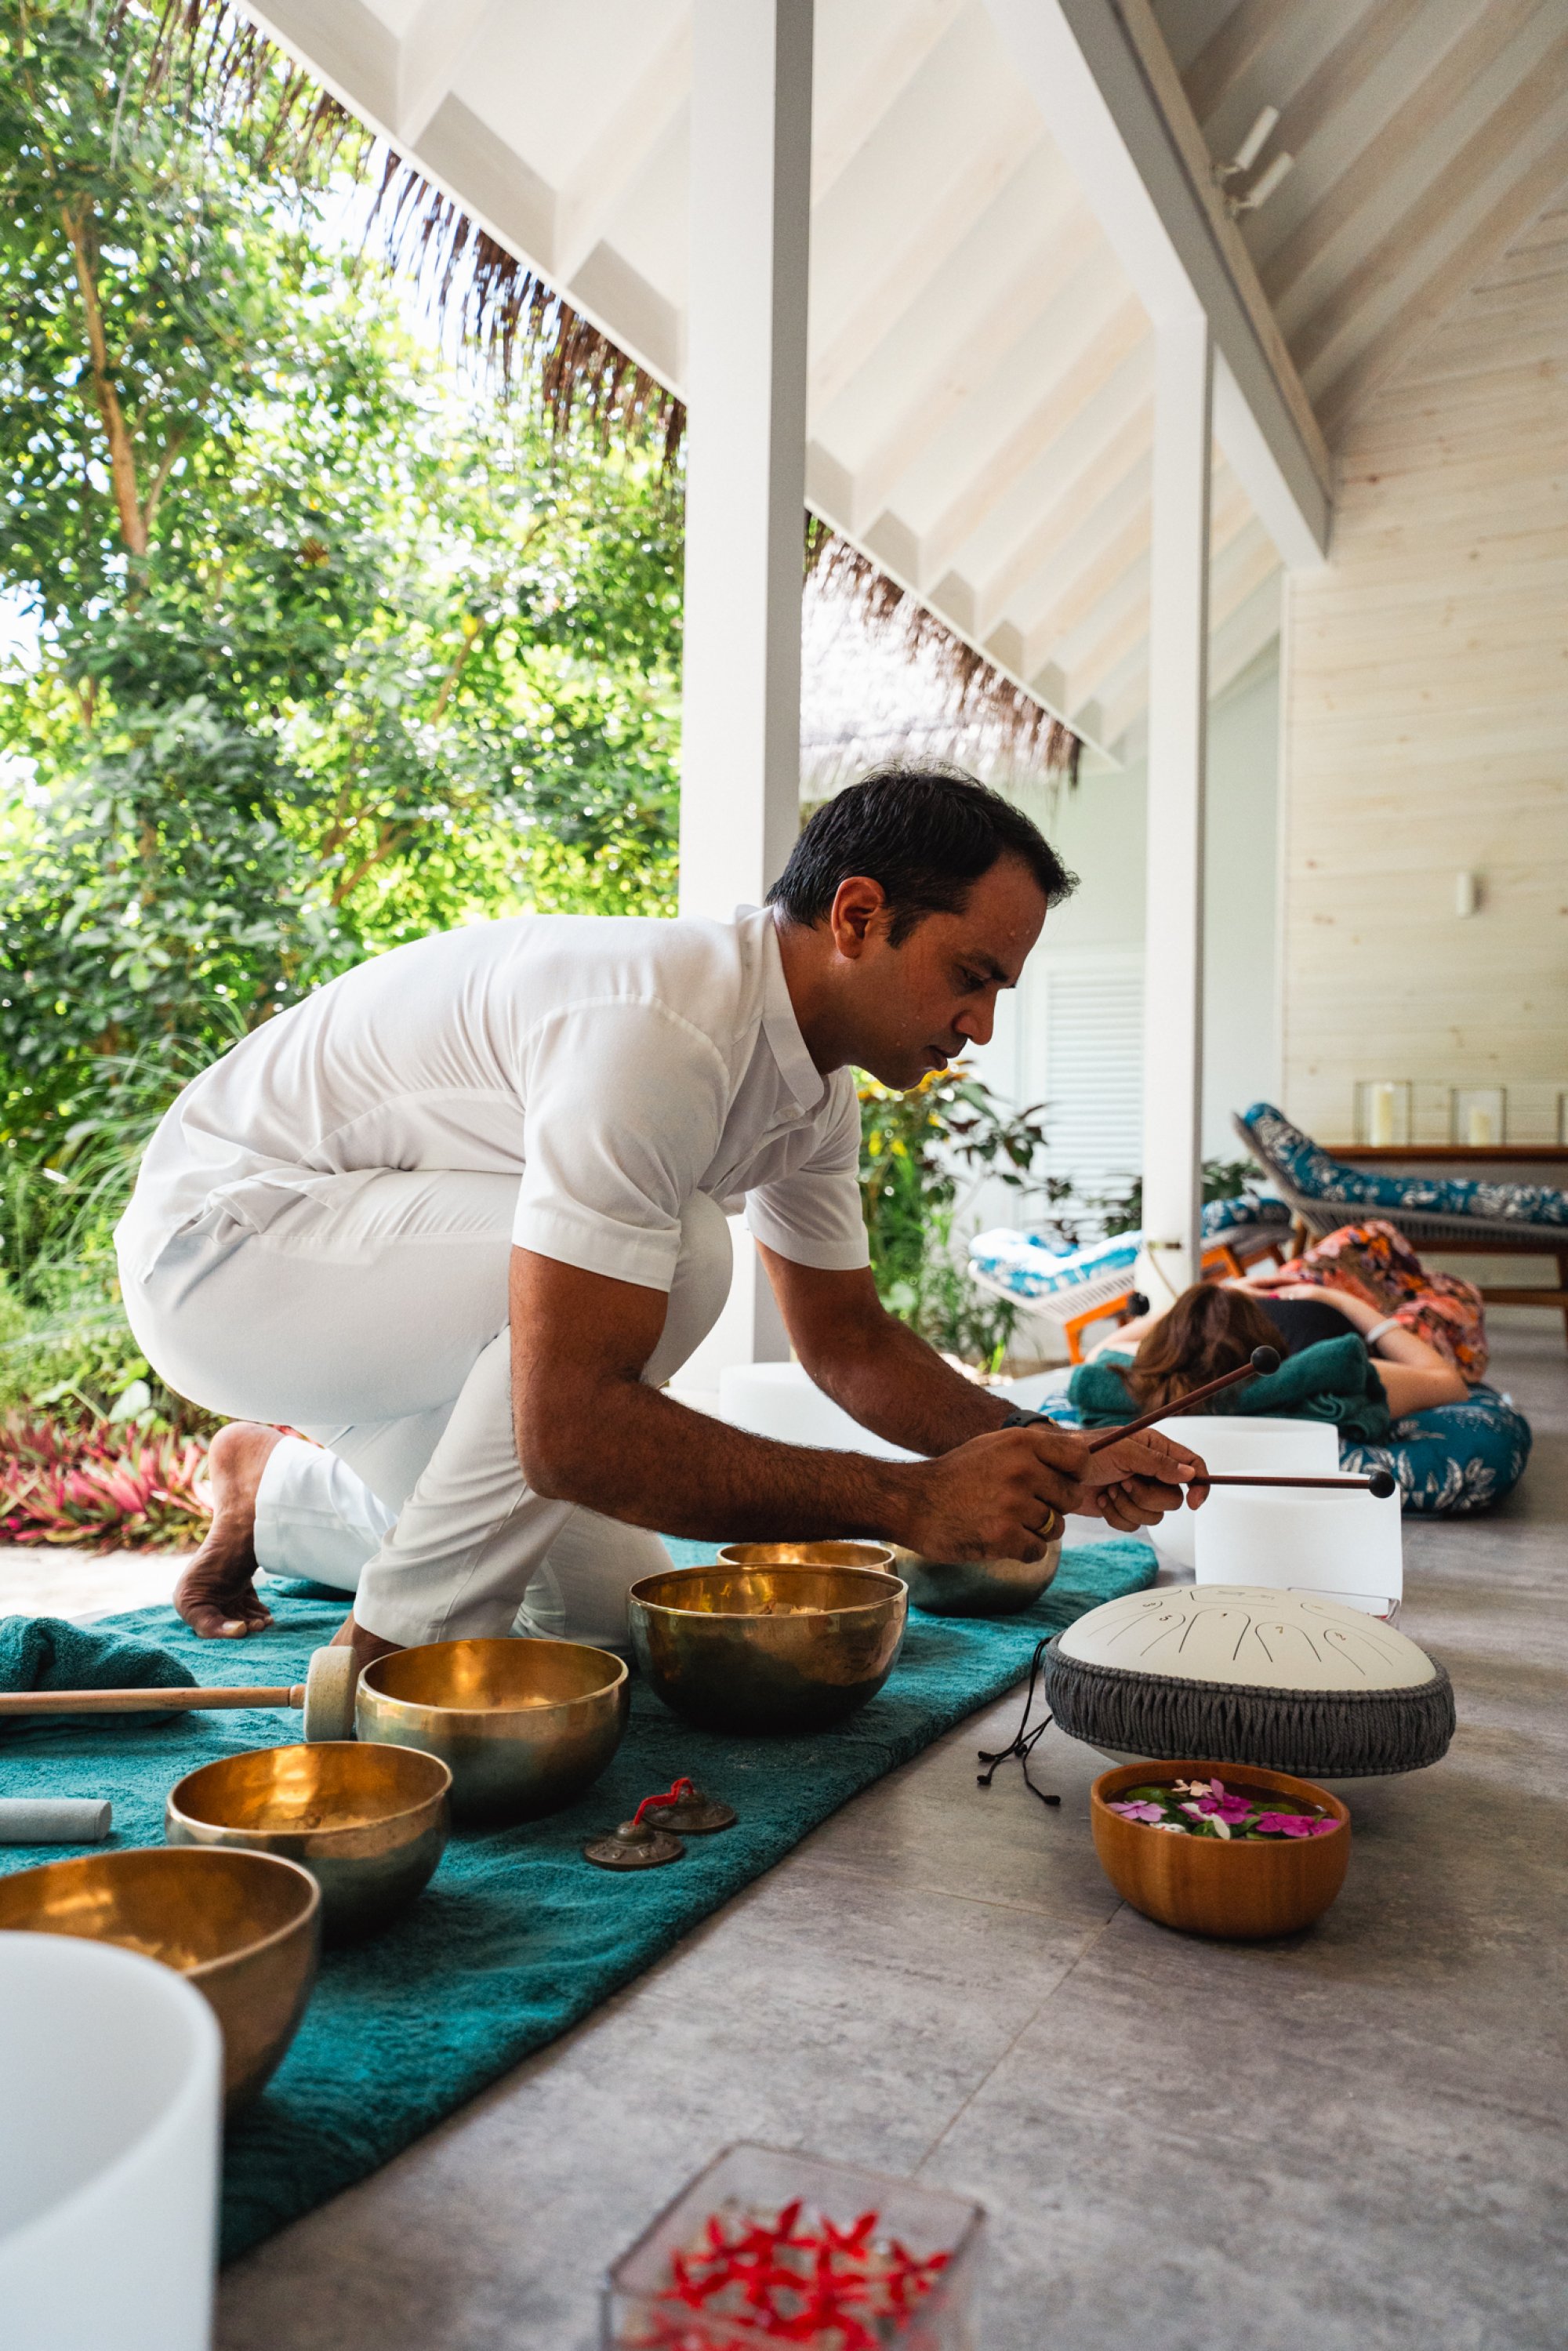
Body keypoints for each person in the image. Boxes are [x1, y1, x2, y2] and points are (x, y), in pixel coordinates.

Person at [115, 766, 1210, 1676]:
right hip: (228, 1255)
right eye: (971, 975)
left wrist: (1060, 1450)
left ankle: (274, 1489)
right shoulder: (664, 1024)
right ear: (857, 916)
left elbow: (848, 1342)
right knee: (686, 1250)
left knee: (606, 1622)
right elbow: (569, 1428)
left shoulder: (815, 1094)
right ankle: (384, 1652)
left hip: (370, 1299)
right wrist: (908, 1500)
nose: (980, 1024)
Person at [1079, 1271, 1467, 1426]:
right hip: (1313, 1317)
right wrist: (1337, 1298)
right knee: (1440, 1293)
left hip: (1237, 1316)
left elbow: (1099, 1353)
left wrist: (1202, 1303)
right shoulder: (1329, 1375)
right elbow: (1448, 1381)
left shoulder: (1155, 1379)